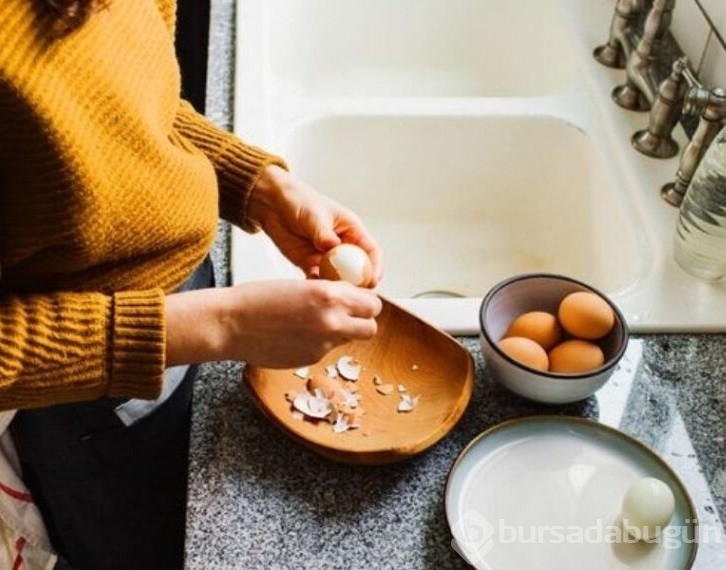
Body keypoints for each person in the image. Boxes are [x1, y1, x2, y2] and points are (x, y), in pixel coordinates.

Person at [0, 0, 384, 568]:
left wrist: (256, 186)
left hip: (182, 308)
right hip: (84, 382)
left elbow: (134, 109)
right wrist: (220, 324)